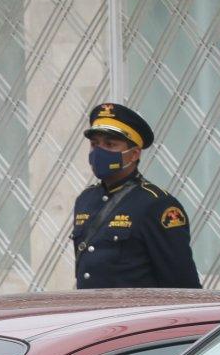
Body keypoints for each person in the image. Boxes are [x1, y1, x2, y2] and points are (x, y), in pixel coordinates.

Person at [71, 102, 202, 288]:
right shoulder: (85, 200)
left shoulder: (156, 204)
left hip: (135, 314)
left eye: (110, 144)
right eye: (94, 144)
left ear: (133, 155)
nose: (99, 151)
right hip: (95, 313)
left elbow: (181, 282)